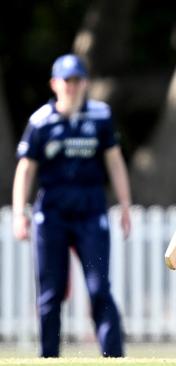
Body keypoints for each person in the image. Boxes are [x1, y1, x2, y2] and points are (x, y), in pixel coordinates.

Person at [12, 54, 131, 357]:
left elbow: (115, 162)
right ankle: (49, 357)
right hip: (51, 213)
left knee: (98, 288)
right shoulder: (40, 122)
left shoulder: (100, 116)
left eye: (78, 81)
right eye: (67, 81)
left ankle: (114, 357)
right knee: (50, 293)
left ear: (85, 83)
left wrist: (125, 206)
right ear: (55, 84)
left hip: (91, 211)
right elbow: (25, 170)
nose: (73, 87)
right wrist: (19, 214)